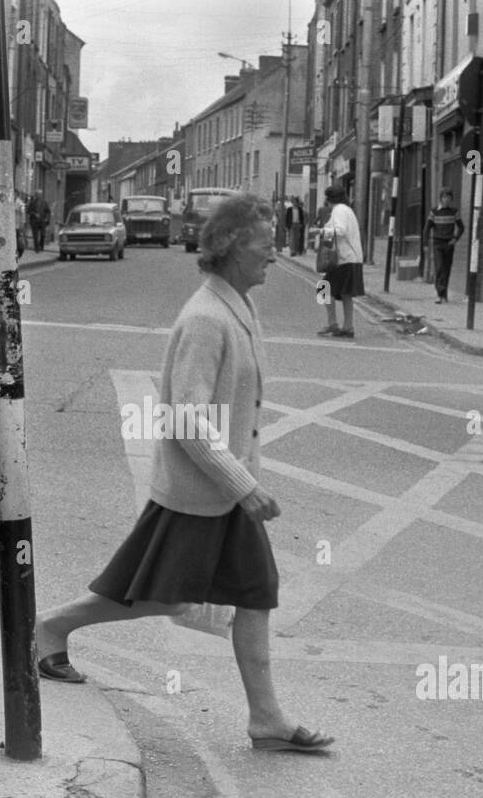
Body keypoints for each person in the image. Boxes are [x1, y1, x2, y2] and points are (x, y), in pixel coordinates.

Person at [32, 193, 335, 754]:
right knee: (165, 596)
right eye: (265, 244)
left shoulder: (238, 306)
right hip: (204, 492)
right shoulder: (205, 319)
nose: (275, 254)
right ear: (230, 247)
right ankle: (49, 626)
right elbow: (187, 422)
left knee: (253, 591)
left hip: (219, 492)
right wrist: (245, 487)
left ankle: (265, 716)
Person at [319, 185, 364, 339]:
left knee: (323, 288)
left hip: (344, 258)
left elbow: (340, 230)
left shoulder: (338, 210)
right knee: (346, 293)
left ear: (330, 199)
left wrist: (322, 232)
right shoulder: (348, 210)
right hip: (353, 258)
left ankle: (333, 323)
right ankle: (348, 327)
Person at [423, 189, 464, 304]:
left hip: (449, 244)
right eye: (445, 197)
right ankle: (440, 293)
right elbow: (427, 229)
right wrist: (425, 244)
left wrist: (455, 239)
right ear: (441, 199)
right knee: (439, 268)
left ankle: (444, 295)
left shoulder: (454, 212)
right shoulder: (434, 212)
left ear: (451, 200)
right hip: (437, 243)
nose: (447, 200)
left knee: (446, 269)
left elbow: (461, 227)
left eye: (449, 198)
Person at [15, 191, 28, 259]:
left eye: (14, 193)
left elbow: (23, 214)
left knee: (19, 239)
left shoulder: (20, 203)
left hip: (18, 225)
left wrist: (22, 223)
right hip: (11, 226)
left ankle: (20, 251)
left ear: (17, 194)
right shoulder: (9, 202)